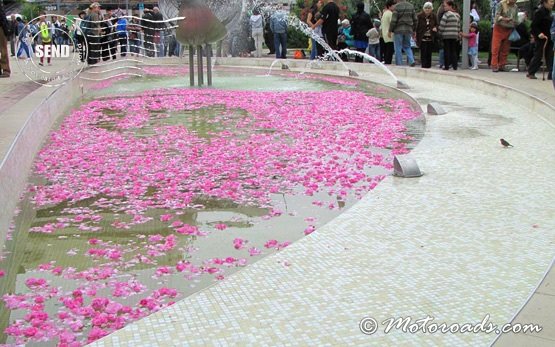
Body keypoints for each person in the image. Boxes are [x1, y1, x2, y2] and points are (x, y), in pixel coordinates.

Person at [527, 0, 554, 80]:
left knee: (550, 55)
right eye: (551, 1)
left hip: (550, 37)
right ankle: (531, 72)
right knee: (538, 55)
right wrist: (539, 34)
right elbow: (533, 26)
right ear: (545, 2)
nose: (552, 3)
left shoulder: (550, 12)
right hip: (541, 37)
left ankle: (551, 74)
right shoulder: (539, 12)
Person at [491, 0, 518, 72]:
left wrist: (516, 22)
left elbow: (516, 18)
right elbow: (497, 16)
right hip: (499, 28)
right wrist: (505, 19)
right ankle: (494, 65)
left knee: (505, 48)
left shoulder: (515, 7)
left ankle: (502, 65)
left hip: (509, 28)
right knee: (496, 47)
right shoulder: (501, 4)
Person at [389, 0, 418, 66]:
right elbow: (415, 20)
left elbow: (393, 21)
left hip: (398, 30)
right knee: (407, 46)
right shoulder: (411, 6)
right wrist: (414, 30)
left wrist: (390, 30)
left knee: (398, 48)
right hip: (408, 30)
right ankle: (411, 60)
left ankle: (399, 64)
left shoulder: (397, 7)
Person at [439, 0, 460, 70]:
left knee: (446, 50)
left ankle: (446, 66)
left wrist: (439, 33)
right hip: (454, 35)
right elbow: (458, 26)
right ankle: (455, 66)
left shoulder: (446, 15)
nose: (444, 8)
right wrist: (457, 34)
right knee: (453, 50)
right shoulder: (457, 15)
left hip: (446, 35)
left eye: (445, 6)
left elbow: (442, 25)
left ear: (450, 6)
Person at [416, 2, 438, 68]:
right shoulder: (419, 16)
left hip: (431, 37)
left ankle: (428, 66)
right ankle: (424, 66)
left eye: (429, 8)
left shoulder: (434, 16)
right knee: (423, 52)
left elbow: (437, 24)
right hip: (422, 36)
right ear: (423, 9)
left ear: (431, 9)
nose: (427, 10)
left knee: (429, 52)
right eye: (426, 8)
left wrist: (435, 27)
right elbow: (416, 26)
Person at [0, 3, 11, 77]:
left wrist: (5, 28)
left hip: (0, 26)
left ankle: (6, 70)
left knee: (3, 49)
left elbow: (2, 14)